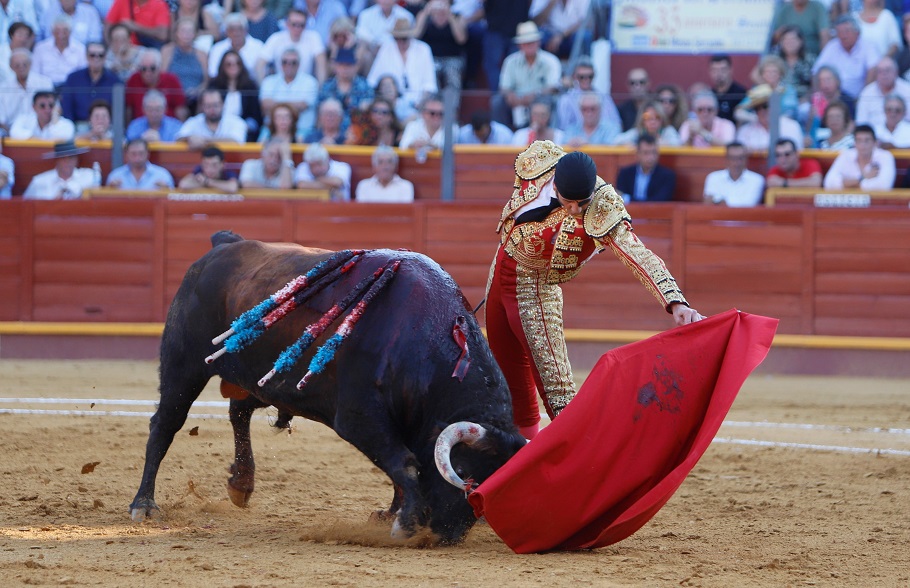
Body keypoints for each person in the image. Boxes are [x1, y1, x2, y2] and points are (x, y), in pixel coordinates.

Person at [485, 142, 703, 439]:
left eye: (581, 203)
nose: (574, 210)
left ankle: (582, 464)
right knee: (506, 373)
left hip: (534, 289)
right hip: (500, 273)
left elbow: (637, 254)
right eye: (568, 201)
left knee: (558, 394)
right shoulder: (539, 162)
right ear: (555, 183)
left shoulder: (603, 206)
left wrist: (675, 302)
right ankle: (519, 456)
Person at [492, 21, 561, 130]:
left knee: (548, 100)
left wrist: (535, 95)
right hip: (516, 100)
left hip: (539, 99)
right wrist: (510, 95)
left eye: (531, 42)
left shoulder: (550, 60)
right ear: (519, 45)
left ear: (538, 42)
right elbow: (504, 87)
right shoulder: (510, 61)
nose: (529, 45)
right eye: (525, 42)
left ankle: (547, 134)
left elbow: (553, 87)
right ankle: (503, 135)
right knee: (497, 102)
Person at [366, 18, 438, 118]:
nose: (400, 42)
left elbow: (430, 85)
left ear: (410, 36)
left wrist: (420, 105)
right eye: (396, 38)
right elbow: (373, 80)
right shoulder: (386, 48)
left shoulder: (423, 49)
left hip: (417, 103)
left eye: (404, 38)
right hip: (391, 106)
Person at [812, 15, 880, 99]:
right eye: (839, 32)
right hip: (833, 97)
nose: (843, 36)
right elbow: (816, 71)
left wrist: (863, 96)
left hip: (859, 96)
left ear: (857, 32)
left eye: (847, 31)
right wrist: (817, 96)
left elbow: (873, 70)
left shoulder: (868, 46)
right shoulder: (832, 46)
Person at [58, 42, 120, 131]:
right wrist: (70, 129)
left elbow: (117, 111)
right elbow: (67, 107)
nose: (96, 58)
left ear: (105, 57)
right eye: (92, 55)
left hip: (107, 129)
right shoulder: (73, 78)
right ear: (86, 56)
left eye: (100, 55)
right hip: (78, 127)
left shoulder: (115, 81)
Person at [259, 47, 319, 138]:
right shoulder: (269, 81)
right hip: (272, 130)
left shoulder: (310, 82)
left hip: (302, 130)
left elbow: (303, 105)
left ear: (299, 64)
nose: (289, 65)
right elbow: (265, 104)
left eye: (293, 62)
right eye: (285, 62)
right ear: (280, 64)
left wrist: (276, 105)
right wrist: (294, 104)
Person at [256, 8, 326, 84]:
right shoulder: (276, 38)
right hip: (280, 87)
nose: (297, 28)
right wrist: (264, 88)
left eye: (301, 25)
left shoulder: (313, 37)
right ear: (287, 24)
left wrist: (320, 90)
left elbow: (321, 63)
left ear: (306, 25)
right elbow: (260, 64)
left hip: (305, 87)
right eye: (294, 24)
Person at [208, 49, 263, 141]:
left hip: (241, 129)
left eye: (237, 63)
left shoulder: (250, 86)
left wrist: (243, 127)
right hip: (216, 127)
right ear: (223, 66)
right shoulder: (214, 85)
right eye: (229, 64)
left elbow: (255, 115)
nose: (233, 67)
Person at [411, 0, 467, 91]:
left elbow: (461, 39)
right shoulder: (425, 16)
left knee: (453, 78)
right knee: (430, 78)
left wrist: (449, 15)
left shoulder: (457, 16)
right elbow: (415, 36)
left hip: (452, 59)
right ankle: (432, 104)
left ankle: (449, 105)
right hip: (430, 59)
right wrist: (425, 12)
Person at [556, 56, 621, 132]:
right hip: (575, 141)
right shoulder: (566, 100)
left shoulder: (604, 97)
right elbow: (564, 127)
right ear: (575, 77)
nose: (586, 80)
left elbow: (616, 124)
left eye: (590, 76)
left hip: (603, 140)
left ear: (594, 76)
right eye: (581, 77)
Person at [317, 46, 373, 133]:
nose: (345, 69)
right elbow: (320, 114)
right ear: (335, 66)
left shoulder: (365, 87)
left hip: (357, 134)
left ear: (355, 66)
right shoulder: (327, 87)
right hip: (331, 134)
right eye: (341, 65)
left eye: (348, 65)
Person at [823, 124, 896, 190]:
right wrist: (862, 178)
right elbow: (829, 183)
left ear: (875, 142)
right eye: (859, 140)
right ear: (854, 143)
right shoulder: (846, 155)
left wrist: (848, 184)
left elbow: (883, 186)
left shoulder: (885, 156)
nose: (862, 144)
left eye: (867, 140)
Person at [735, 84, 805, 152]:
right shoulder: (745, 131)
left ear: (774, 105)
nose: (762, 111)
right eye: (757, 108)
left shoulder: (791, 126)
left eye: (765, 106)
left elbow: (795, 155)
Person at [0, 49, 54, 136]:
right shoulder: (3, 88)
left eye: (24, 64)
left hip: (43, 131)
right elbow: (1, 119)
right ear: (11, 67)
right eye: (17, 65)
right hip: (11, 132)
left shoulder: (44, 83)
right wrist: (13, 134)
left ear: (30, 64)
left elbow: (54, 109)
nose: (21, 67)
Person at [125, 48, 188, 122]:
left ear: (159, 67)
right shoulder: (133, 80)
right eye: (143, 69)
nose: (147, 73)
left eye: (152, 68)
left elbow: (180, 110)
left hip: (167, 129)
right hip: (140, 128)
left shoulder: (172, 80)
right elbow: (128, 110)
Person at [175, 87, 248, 149]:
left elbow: (235, 142)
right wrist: (188, 138)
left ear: (223, 104)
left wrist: (204, 141)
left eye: (215, 105)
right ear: (202, 107)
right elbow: (178, 139)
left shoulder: (237, 122)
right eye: (208, 106)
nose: (212, 109)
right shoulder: (194, 121)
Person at [23, 140, 98, 199]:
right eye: (63, 158)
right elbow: (26, 206)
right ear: (56, 160)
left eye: (71, 158)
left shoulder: (89, 177)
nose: (67, 162)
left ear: (76, 160)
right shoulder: (39, 181)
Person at [161, 17, 209, 110]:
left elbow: (206, 81)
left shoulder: (202, 54)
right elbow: (162, 76)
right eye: (183, 31)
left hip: (196, 98)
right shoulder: (167, 51)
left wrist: (197, 91)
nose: (186, 34)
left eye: (190, 31)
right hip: (172, 96)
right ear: (176, 33)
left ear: (195, 34)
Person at [614, 133, 677, 203]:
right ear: (637, 154)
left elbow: (658, 203)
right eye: (646, 153)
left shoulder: (667, 176)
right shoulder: (625, 174)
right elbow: (620, 201)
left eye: (654, 152)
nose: (651, 157)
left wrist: (628, 199)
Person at [703, 142, 765, 207]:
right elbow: (708, 204)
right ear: (726, 159)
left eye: (740, 158)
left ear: (746, 159)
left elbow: (748, 205)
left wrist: (719, 201)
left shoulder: (757, 180)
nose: (736, 163)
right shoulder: (713, 178)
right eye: (732, 158)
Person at [32, 14, 87, 86]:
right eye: (57, 31)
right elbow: (35, 74)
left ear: (71, 32)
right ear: (52, 32)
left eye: (65, 31)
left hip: (71, 88)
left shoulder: (80, 49)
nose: (61, 35)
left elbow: (83, 75)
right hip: (45, 88)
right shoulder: (40, 48)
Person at [855, 56, 910, 128]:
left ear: (896, 72)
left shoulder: (907, 90)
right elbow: (861, 123)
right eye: (880, 71)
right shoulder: (866, 93)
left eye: (887, 70)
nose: (884, 74)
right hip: (874, 136)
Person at [207, 13, 265, 80]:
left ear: (246, 30)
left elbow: (262, 73)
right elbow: (213, 73)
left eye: (239, 29)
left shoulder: (258, 47)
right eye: (232, 29)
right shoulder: (217, 48)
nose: (236, 33)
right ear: (226, 32)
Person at [106, 137, 175, 189]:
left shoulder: (162, 175)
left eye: (141, 153)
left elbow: (171, 201)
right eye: (133, 154)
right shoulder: (115, 176)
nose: (137, 158)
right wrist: (111, 190)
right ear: (126, 155)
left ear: (148, 154)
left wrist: (166, 190)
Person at [9, 91, 76, 140]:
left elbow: (61, 138)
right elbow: (14, 131)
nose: (47, 110)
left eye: (51, 105)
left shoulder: (67, 124)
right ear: (34, 107)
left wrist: (55, 119)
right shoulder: (24, 119)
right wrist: (35, 139)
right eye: (42, 106)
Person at [612, 100, 681, 147]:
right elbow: (615, 141)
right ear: (642, 120)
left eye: (657, 117)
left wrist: (662, 143)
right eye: (648, 117)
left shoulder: (668, 131)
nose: (653, 121)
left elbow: (678, 144)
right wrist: (633, 145)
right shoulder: (638, 132)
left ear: (662, 119)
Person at [103, 0, 171, 48]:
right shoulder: (122, 1)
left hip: (147, 51)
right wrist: (111, 48)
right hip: (120, 49)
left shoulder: (159, 4)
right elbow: (107, 28)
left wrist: (135, 27)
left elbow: (163, 35)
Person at [709, 54, 748, 123]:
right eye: (715, 70)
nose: (718, 74)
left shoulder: (741, 94)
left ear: (730, 70)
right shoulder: (709, 95)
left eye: (722, 69)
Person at [617, 67, 651, 132]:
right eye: (632, 83)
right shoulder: (622, 109)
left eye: (641, 82)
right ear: (628, 85)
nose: (637, 87)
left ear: (648, 83)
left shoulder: (657, 106)